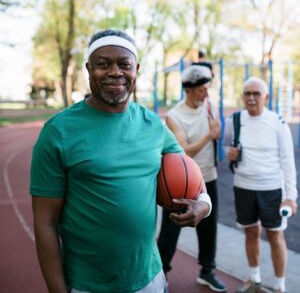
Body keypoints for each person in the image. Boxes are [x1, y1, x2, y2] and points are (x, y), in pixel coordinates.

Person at [29, 29, 212, 293]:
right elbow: (45, 223)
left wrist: (203, 205)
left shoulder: (152, 125)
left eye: (124, 64)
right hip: (87, 285)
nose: (115, 72)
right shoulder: (58, 132)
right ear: (88, 68)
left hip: (149, 278)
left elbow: (191, 174)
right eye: (103, 64)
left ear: (136, 69)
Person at [223, 76, 298, 293]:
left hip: (272, 190)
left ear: (265, 97)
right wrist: (230, 154)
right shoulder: (234, 120)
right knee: (251, 233)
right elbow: (227, 145)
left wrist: (291, 196)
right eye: (247, 93)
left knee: (275, 236)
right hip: (243, 187)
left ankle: (279, 286)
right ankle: (254, 280)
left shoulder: (277, 122)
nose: (252, 98)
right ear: (242, 96)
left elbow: (288, 161)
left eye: (256, 94)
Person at [157, 65, 227, 292]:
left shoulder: (210, 106)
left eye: (207, 88)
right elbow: (184, 152)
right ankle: (161, 274)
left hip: (208, 176)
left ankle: (207, 271)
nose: (206, 93)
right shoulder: (175, 116)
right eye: (202, 89)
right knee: (170, 231)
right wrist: (210, 134)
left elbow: (217, 137)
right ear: (189, 89)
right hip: (180, 183)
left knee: (209, 229)